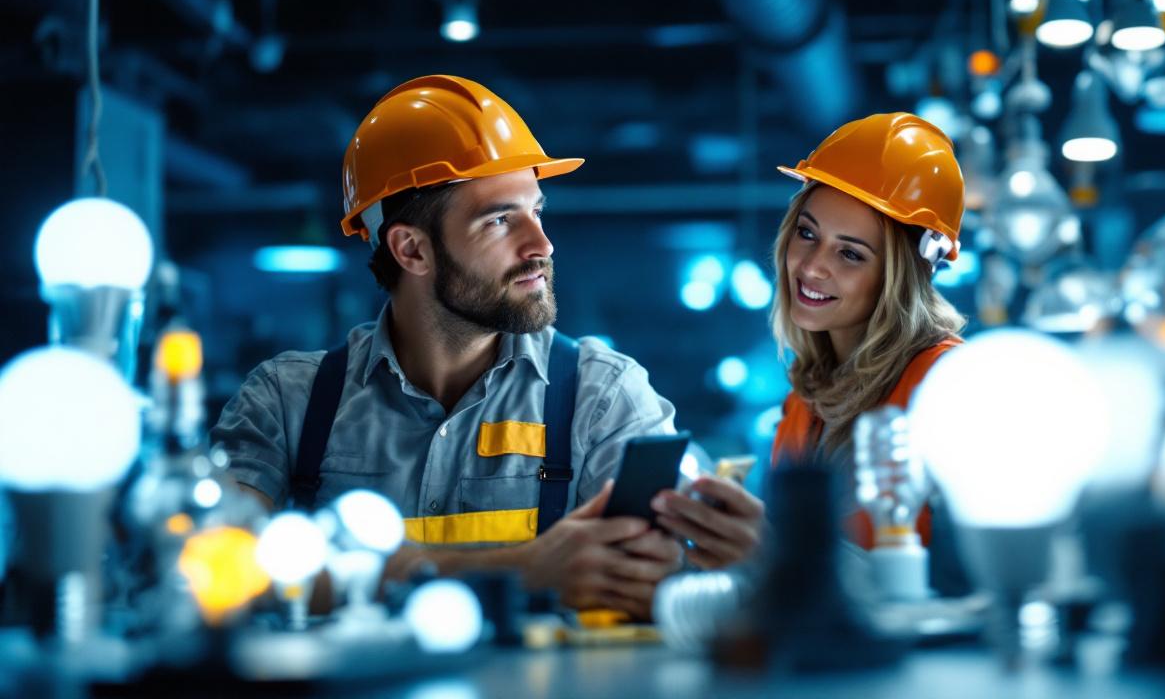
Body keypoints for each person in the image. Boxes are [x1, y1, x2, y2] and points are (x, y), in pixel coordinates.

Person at [212, 75, 682, 618]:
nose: (542, 245)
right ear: (411, 250)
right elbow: (217, 572)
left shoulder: (603, 398)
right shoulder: (286, 402)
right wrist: (522, 570)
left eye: (536, 211)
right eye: (500, 220)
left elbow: (660, 579)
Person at [652, 112, 965, 554]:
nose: (813, 266)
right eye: (807, 233)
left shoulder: (949, 387)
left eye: (850, 254)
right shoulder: (806, 401)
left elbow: (972, 581)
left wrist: (774, 551)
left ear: (902, 276)